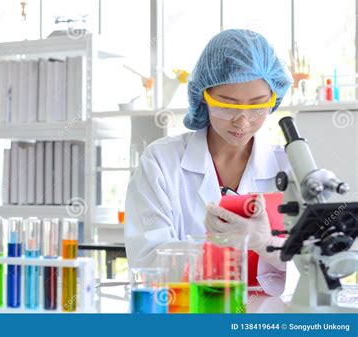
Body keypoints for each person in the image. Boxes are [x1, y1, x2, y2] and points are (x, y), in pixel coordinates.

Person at [124, 29, 292, 296]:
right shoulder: (162, 161)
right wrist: (216, 249)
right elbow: (147, 260)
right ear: (204, 95)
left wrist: (265, 243)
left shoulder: (290, 166)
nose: (242, 121)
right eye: (227, 105)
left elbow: (317, 265)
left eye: (258, 106)